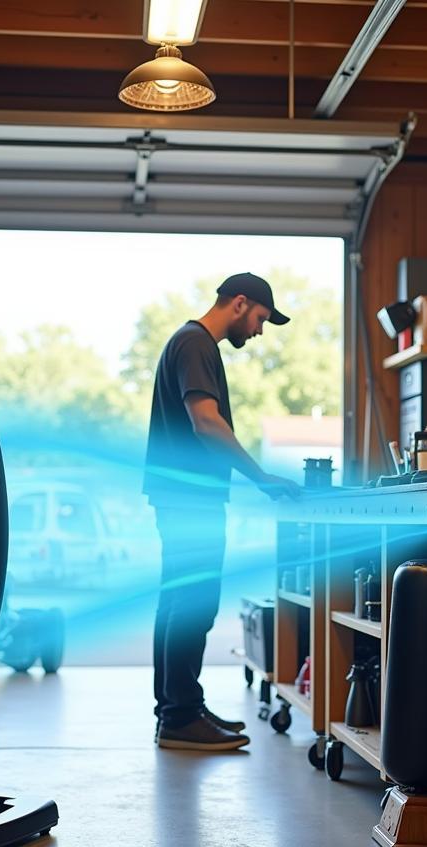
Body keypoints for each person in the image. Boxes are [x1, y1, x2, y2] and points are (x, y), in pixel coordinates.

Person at [144, 272, 302, 752]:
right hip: (190, 498)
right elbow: (206, 422)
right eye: (258, 319)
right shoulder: (196, 345)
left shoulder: (188, 342)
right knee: (193, 603)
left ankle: (177, 709)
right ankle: (180, 716)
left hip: (180, 495)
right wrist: (262, 478)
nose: (257, 331)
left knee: (178, 601)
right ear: (239, 303)